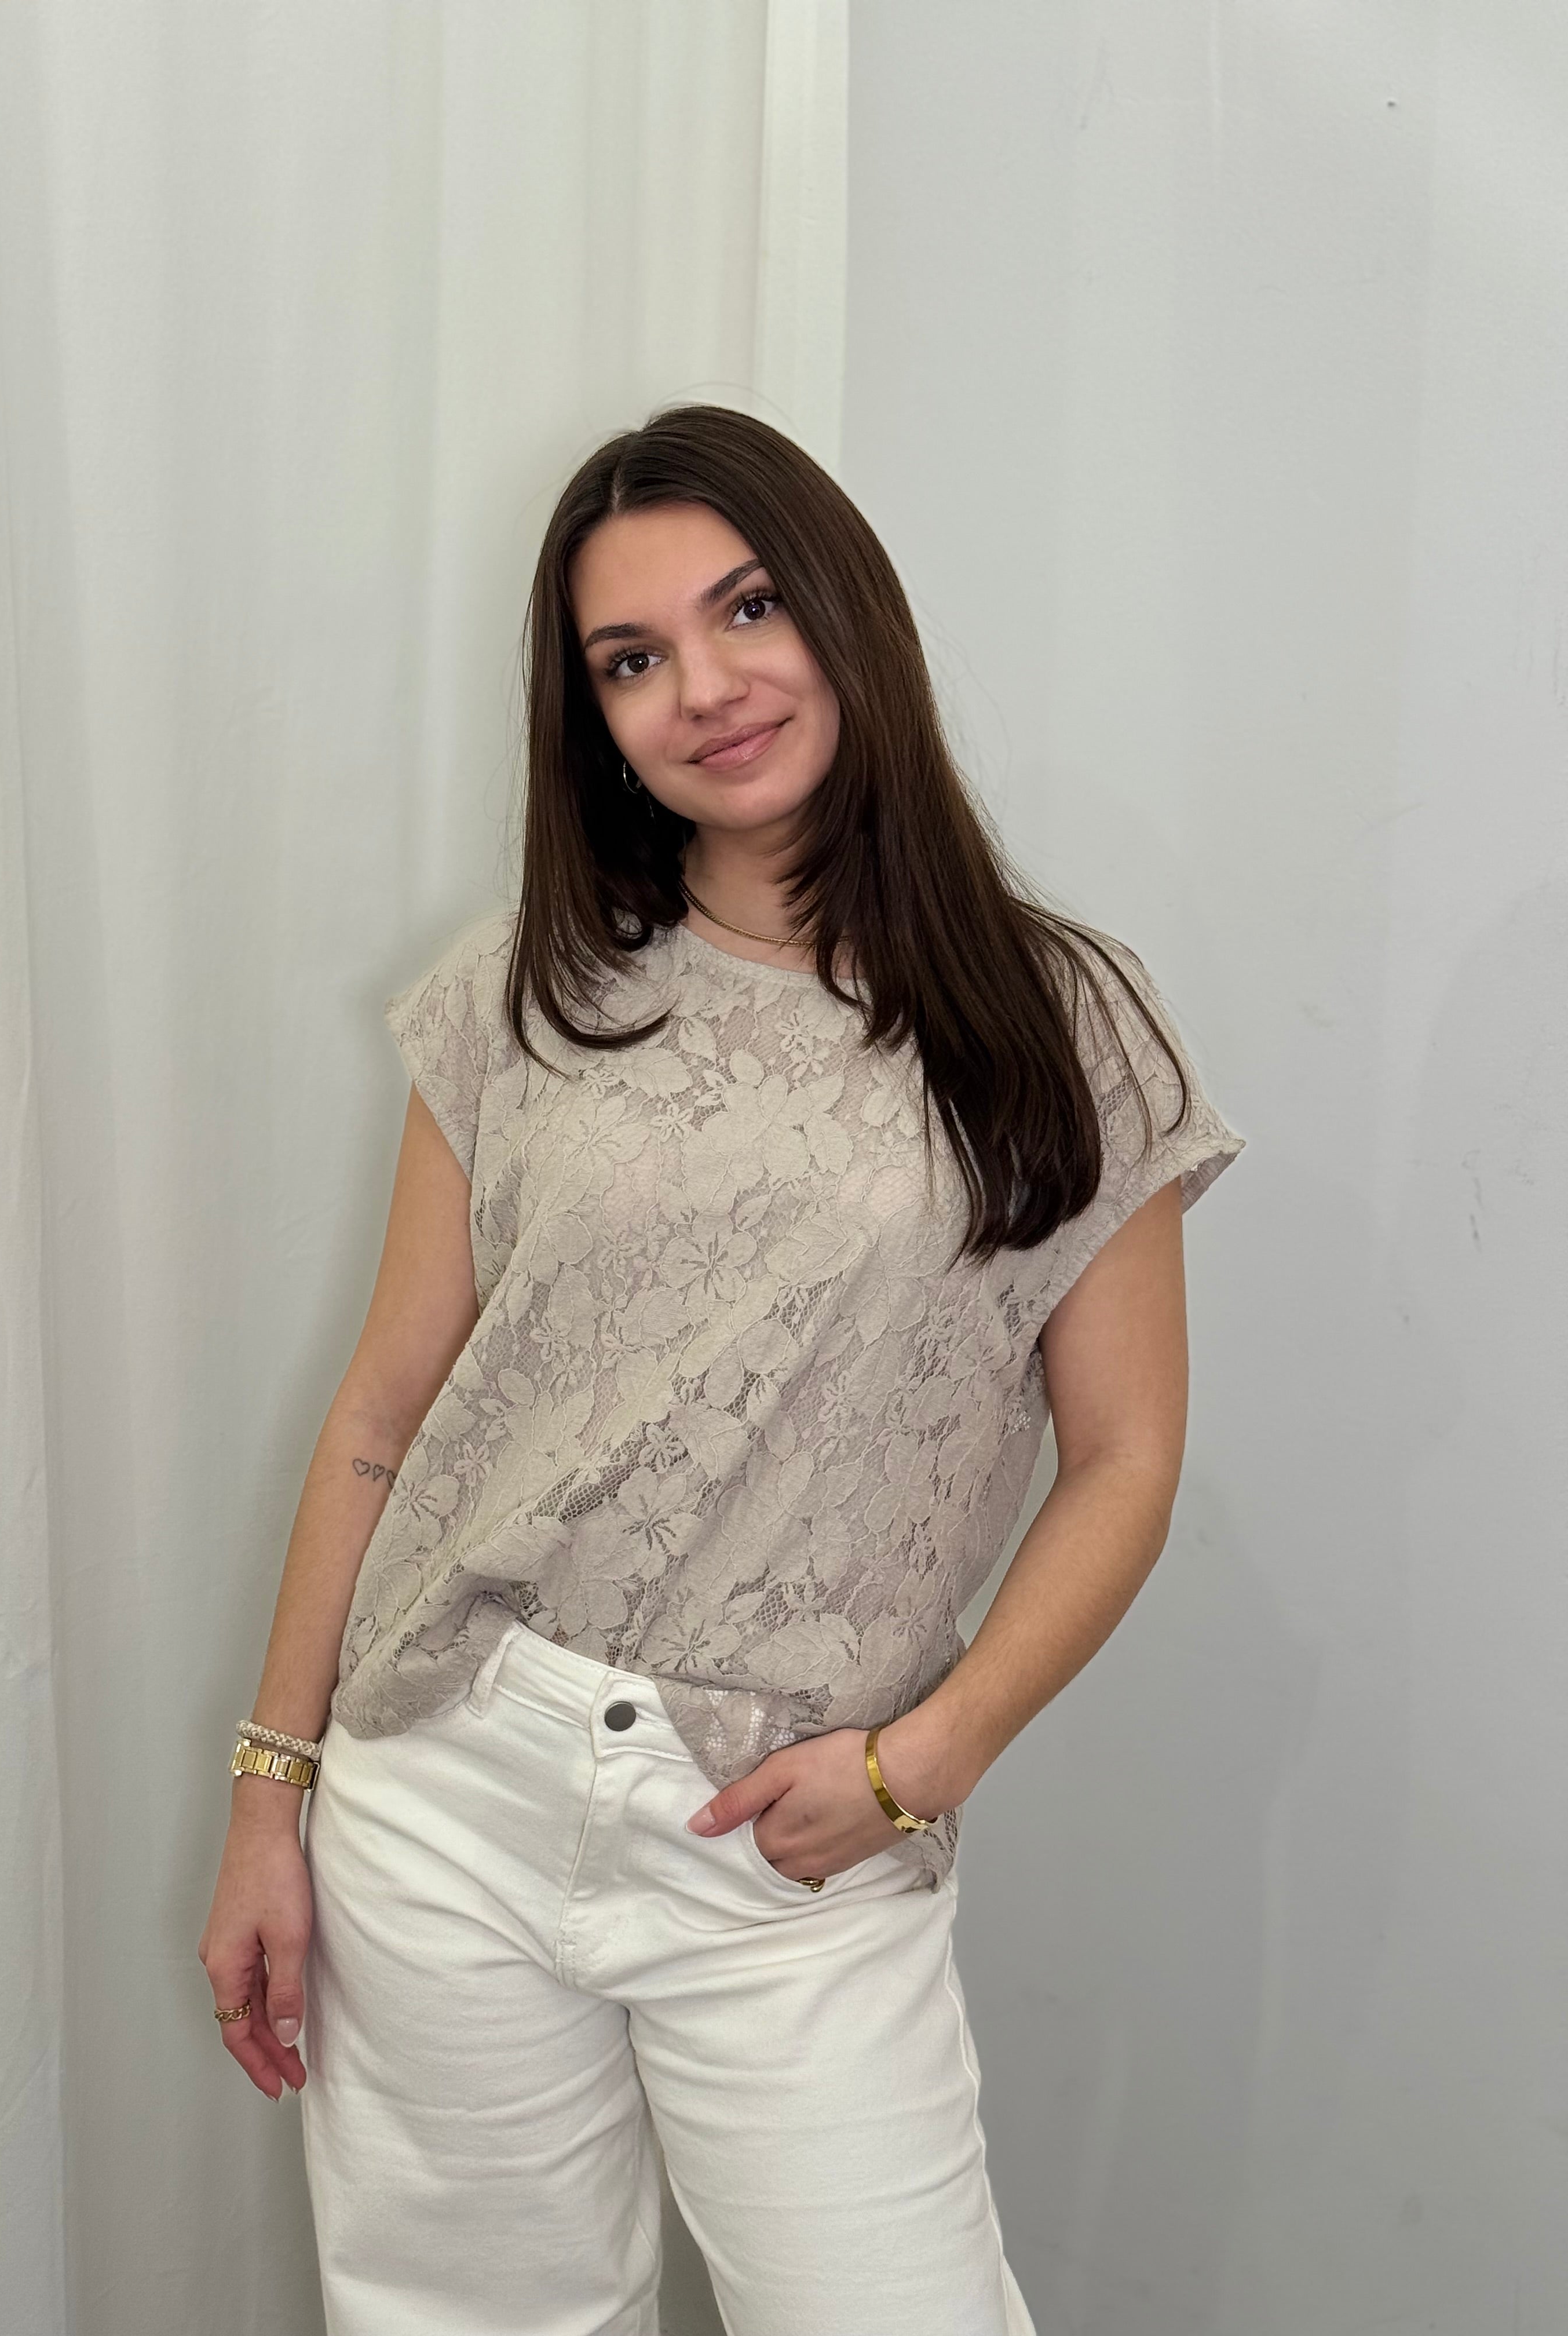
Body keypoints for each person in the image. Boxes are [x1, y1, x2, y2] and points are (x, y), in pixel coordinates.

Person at [198, 403, 1245, 2336]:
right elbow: (382, 1419)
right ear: (594, 717)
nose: (704, 687)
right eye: (632, 658)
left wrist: (928, 1763)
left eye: (747, 607)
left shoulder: (1065, 1023)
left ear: (846, 608)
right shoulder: (528, 988)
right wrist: (273, 1797)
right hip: (446, 1778)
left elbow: (1126, 1460)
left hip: (785, 1827)